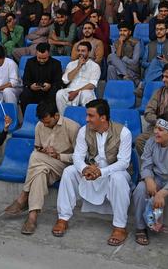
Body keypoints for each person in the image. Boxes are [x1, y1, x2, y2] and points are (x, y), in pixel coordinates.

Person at [51, 99, 133, 246]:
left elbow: (123, 163)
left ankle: (120, 227)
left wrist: (101, 172)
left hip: (113, 172)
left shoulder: (124, 133)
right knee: (69, 171)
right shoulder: (84, 130)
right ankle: (63, 218)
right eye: (87, 115)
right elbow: (77, 156)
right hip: (91, 171)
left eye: (90, 116)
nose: (86, 119)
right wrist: (84, 168)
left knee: (119, 178)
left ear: (103, 118)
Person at [4, 102, 80, 235]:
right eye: (42, 122)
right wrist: (44, 151)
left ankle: (24, 195)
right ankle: (32, 217)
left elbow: (79, 157)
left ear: (56, 116)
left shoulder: (73, 127)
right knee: (39, 172)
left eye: (47, 122)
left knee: (35, 157)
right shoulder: (40, 125)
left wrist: (59, 155)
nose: (44, 125)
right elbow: (37, 147)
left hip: (64, 166)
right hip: (44, 165)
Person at [132, 114, 168, 246]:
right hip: (156, 178)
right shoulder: (151, 142)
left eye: (161, 130)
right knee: (140, 189)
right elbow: (146, 165)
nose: (156, 132)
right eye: (156, 128)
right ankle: (141, 228)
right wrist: (148, 179)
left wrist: (162, 193)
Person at [135, 62, 168, 154]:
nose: (163, 80)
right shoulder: (158, 93)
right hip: (157, 128)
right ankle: (152, 163)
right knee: (140, 141)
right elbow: (148, 113)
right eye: (163, 76)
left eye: (167, 77)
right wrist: (162, 124)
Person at [55, 42, 101, 114]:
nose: (80, 53)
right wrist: (78, 67)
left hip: (86, 90)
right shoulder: (71, 64)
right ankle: (64, 119)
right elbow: (65, 80)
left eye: (83, 51)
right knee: (59, 93)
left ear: (89, 52)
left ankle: (87, 118)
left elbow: (92, 84)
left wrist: (76, 92)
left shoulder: (95, 66)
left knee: (87, 95)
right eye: (78, 50)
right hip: (70, 89)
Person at [19, 43, 63, 112]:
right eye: (39, 58)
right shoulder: (30, 62)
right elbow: (25, 79)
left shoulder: (56, 64)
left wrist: (50, 86)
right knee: (25, 94)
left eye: (44, 58)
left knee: (54, 93)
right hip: (34, 91)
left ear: (49, 54)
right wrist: (31, 86)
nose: (42, 60)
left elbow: (58, 82)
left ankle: (51, 117)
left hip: (49, 91)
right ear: (36, 53)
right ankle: (27, 117)